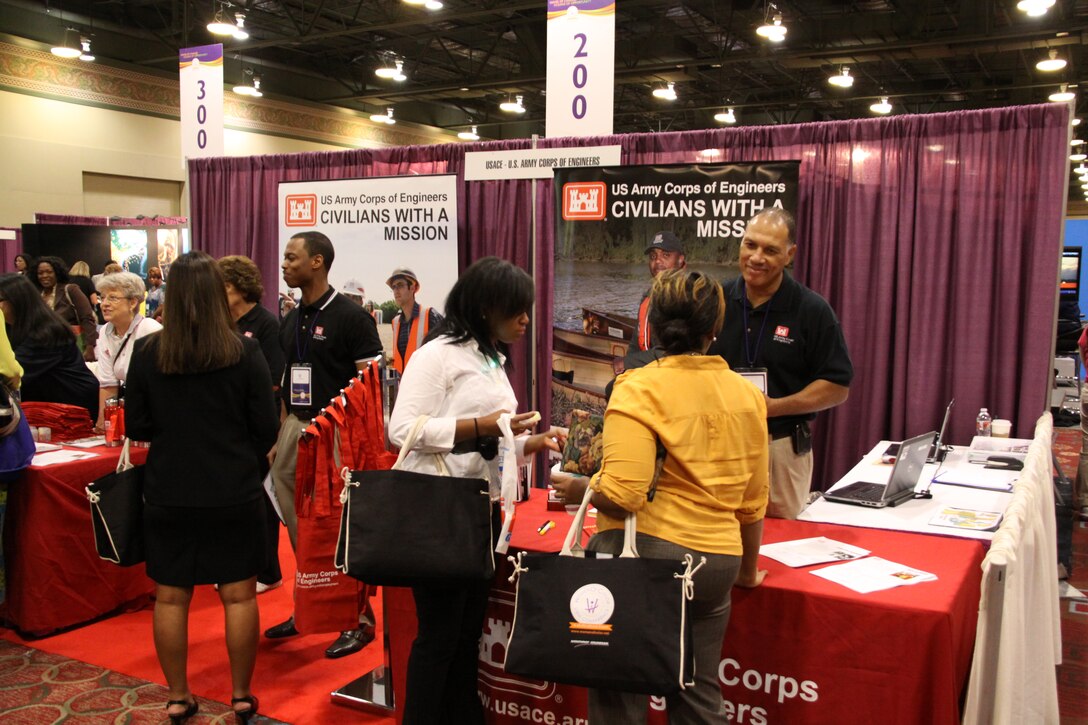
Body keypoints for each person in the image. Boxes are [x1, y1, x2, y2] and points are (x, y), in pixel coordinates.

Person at [555, 268, 768, 723]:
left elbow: (623, 493)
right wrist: (747, 572)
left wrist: (581, 488)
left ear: (650, 327)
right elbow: (752, 501)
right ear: (715, 329)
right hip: (717, 564)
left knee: (620, 696)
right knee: (698, 693)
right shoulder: (748, 396)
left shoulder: (638, 388)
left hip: (645, 560)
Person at [387, 256, 565, 725]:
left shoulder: (489, 357)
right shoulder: (438, 354)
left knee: (467, 635)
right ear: (487, 307)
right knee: (440, 637)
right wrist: (482, 425)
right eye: (517, 309)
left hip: (482, 512)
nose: (526, 319)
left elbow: (491, 443)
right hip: (439, 512)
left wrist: (531, 442)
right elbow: (401, 429)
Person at [125, 251, 278, 724]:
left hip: (169, 490)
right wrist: (241, 460)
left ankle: (176, 695)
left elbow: (137, 423)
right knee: (239, 595)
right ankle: (240, 694)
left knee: (171, 597)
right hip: (234, 488)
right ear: (217, 294)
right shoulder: (244, 350)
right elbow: (266, 426)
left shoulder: (151, 352)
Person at [265, 230, 383, 658]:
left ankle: (358, 618)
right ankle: (312, 606)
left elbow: (370, 385)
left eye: (291, 258)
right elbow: (287, 379)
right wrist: (283, 434)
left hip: (337, 433)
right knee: (301, 525)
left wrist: (358, 444)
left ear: (317, 261)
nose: (284, 264)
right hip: (297, 428)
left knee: (337, 528)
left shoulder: (352, 318)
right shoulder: (291, 319)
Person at [707, 208, 853, 519]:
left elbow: (837, 386)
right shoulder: (713, 300)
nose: (757, 258)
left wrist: (774, 407)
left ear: (790, 255)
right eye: (750, 245)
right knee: (716, 531)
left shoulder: (812, 310)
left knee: (780, 540)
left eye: (770, 250)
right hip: (717, 443)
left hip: (781, 446)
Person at [220, 254, 286, 594]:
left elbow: (275, 378)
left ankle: (268, 571)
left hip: (260, 422)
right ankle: (237, 565)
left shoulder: (266, 324)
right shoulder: (222, 323)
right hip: (228, 424)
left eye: (225, 285)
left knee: (262, 499)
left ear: (240, 288)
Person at [0, 274, 97, 421]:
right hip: (46, 406)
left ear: (16, 300)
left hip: (72, 408)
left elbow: (13, 372)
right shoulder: (12, 328)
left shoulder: (46, 332)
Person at [93, 272, 162, 433]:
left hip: (154, 410)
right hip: (128, 407)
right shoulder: (105, 331)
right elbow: (107, 383)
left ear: (132, 302)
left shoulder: (150, 330)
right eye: (102, 298)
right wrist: (103, 424)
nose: (104, 304)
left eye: (113, 298)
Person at [32, 256, 97, 362]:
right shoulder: (36, 294)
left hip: (70, 348)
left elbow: (87, 318)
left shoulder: (70, 290)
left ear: (57, 273)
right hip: (43, 349)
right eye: (40, 273)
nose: (44, 276)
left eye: (49, 272)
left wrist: (90, 346)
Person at [633, 231, 687, 352]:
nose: (657, 261)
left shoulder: (687, 298)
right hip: (650, 366)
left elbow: (674, 352)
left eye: (666, 255)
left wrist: (628, 362)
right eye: (653, 256)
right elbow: (634, 345)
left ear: (680, 260)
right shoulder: (648, 297)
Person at [387, 268, 443, 375]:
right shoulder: (395, 322)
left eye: (400, 285)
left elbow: (447, 352)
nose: (396, 290)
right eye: (394, 287)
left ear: (412, 287)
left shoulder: (429, 315)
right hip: (403, 387)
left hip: (426, 386)